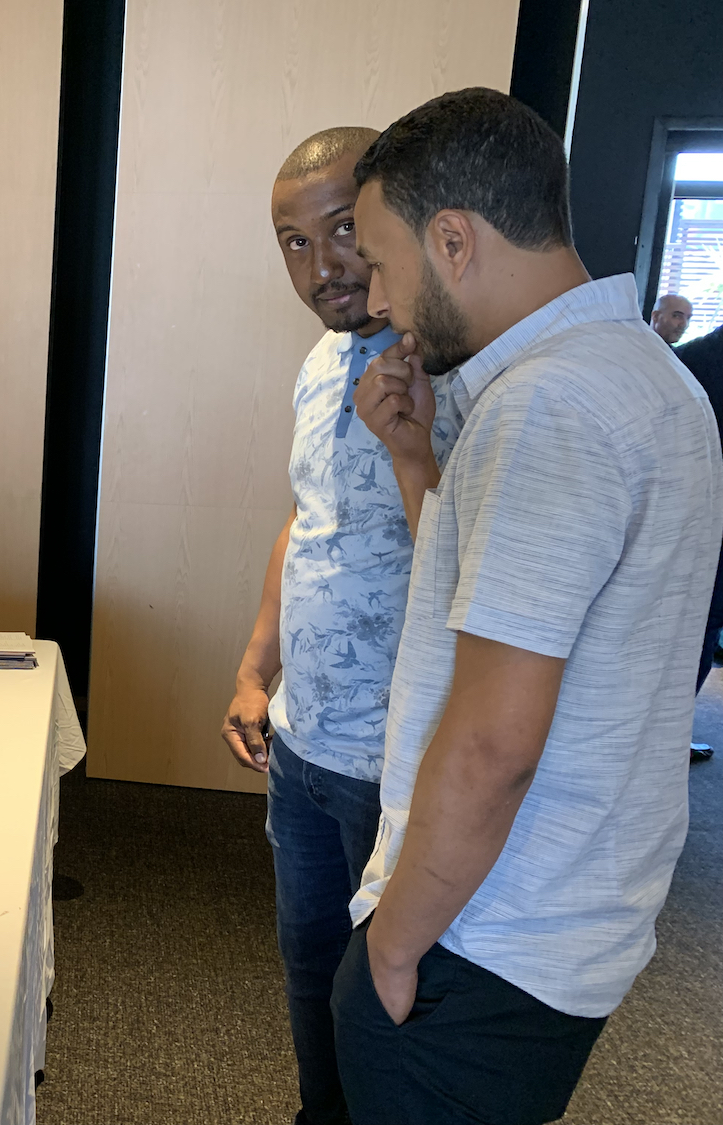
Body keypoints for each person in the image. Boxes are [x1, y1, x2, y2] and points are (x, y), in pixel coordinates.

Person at [339, 87, 722, 1125]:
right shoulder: (651, 377)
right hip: (563, 917)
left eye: (382, 262)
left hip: (482, 935)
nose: (377, 299)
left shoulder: (546, 407)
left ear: (453, 240)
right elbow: (513, 608)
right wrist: (417, 464)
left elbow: (493, 745)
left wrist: (393, 945)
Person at [221, 126, 457, 1125]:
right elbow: (305, 520)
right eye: (294, 242)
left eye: (344, 229)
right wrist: (254, 670)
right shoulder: (321, 364)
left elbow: (469, 569)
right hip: (304, 743)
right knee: (310, 967)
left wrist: (412, 454)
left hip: (394, 761)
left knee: (390, 1002)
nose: (324, 266)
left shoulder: (454, 369)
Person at [676, 320, 723, 760]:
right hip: (706, 526)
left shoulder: (685, 361)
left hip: (686, 519)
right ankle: (669, 738)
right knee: (700, 631)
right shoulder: (692, 361)